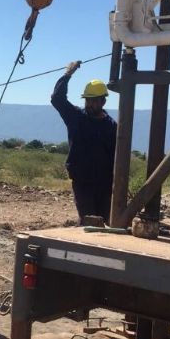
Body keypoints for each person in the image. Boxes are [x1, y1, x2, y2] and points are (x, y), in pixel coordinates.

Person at [51, 61, 117, 225]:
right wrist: (67, 75)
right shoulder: (76, 117)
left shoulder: (112, 126)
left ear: (103, 101)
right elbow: (57, 99)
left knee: (105, 222)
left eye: (94, 101)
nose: (89, 104)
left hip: (105, 184)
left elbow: (116, 155)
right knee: (88, 222)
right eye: (88, 100)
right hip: (82, 182)